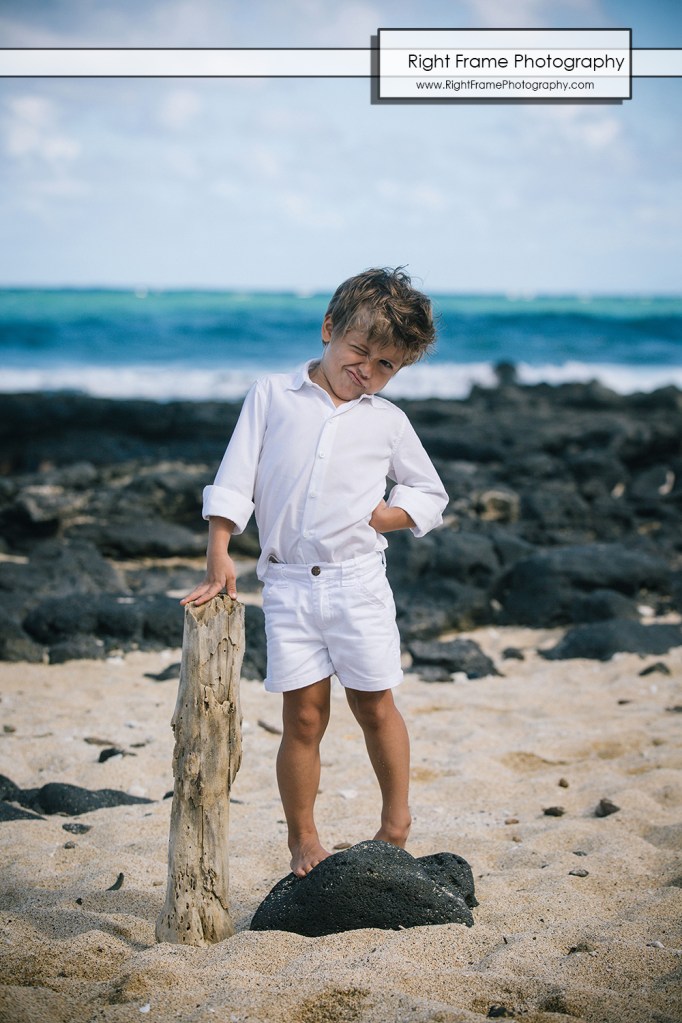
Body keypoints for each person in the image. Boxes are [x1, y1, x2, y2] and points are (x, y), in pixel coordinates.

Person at [182, 267, 448, 877]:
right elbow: (236, 475)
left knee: (374, 705)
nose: (368, 370)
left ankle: (394, 823)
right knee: (303, 717)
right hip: (288, 586)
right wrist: (219, 550)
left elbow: (430, 491)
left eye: (385, 366)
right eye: (360, 351)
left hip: (359, 582)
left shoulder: (386, 421)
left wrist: (392, 515)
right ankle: (304, 839)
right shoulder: (272, 396)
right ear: (329, 329)